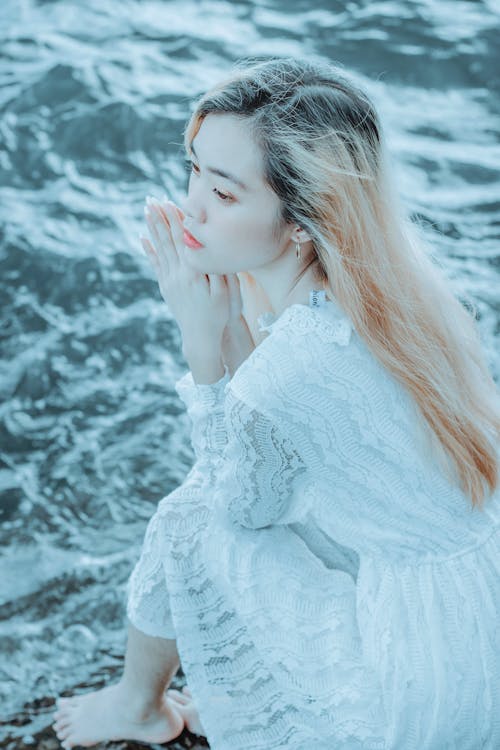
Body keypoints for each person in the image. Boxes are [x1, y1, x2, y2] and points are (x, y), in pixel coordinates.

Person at [52, 56, 500, 750]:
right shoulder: (405, 290)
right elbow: (293, 437)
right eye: (194, 168)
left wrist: (206, 344)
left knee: (189, 516)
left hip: (423, 675)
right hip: (476, 600)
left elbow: (236, 504)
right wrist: (233, 332)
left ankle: (140, 706)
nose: (192, 205)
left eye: (226, 196)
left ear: (301, 223)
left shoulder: (297, 362)